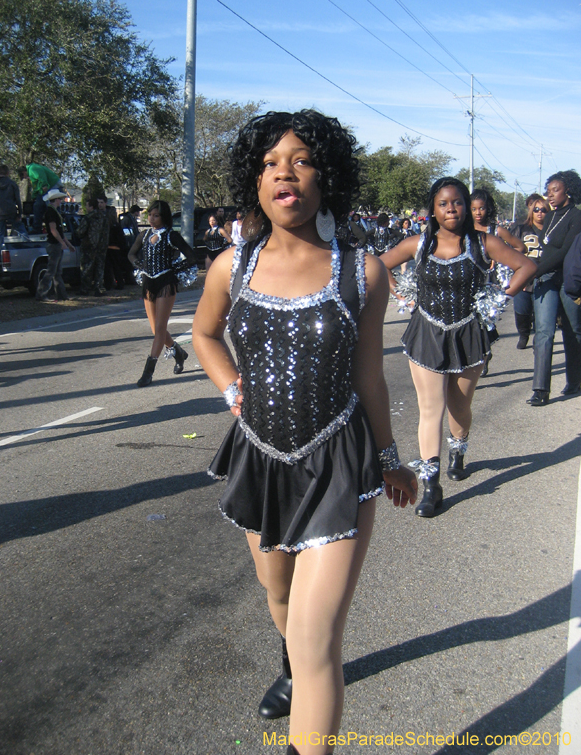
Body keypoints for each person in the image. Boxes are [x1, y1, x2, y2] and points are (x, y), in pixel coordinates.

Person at [192, 110, 417, 755]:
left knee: (319, 639)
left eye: (299, 159)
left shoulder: (362, 272)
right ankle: (288, 666)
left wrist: (392, 460)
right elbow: (205, 335)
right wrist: (233, 389)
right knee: (279, 593)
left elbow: (370, 376)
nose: (282, 172)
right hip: (260, 458)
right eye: (268, 163)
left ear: (327, 177)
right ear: (254, 183)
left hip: (339, 466)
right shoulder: (230, 268)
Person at [381, 177, 536, 517]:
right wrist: (401, 292)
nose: (451, 208)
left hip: (469, 334)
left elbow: (527, 265)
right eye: (443, 204)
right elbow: (376, 264)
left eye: (457, 203)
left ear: (466, 207)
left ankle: (459, 449)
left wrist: (500, 296)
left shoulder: (484, 243)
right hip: (426, 333)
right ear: (433, 210)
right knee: (430, 409)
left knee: (459, 407)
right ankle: (431, 485)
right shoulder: (418, 244)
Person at [526, 170, 581, 406]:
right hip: (546, 278)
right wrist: (536, 271)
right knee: (544, 331)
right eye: (548, 191)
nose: (550, 196)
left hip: (568, 279)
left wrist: (534, 270)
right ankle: (540, 389)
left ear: (567, 190)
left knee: (573, 330)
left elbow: (564, 252)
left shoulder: (576, 217)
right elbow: (546, 250)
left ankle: (575, 380)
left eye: (555, 190)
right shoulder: (549, 218)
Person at [128, 200, 196, 387]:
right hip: (149, 284)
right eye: (150, 214)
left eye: (156, 215)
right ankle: (179, 352)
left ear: (163, 217)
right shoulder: (144, 234)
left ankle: (148, 371)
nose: (151, 218)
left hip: (166, 283)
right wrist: (139, 265)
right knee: (155, 329)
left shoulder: (171, 235)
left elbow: (190, 256)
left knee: (159, 328)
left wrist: (175, 269)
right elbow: (131, 254)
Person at [470, 188, 526, 376]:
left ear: (489, 209)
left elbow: (520, 247)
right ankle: (479, 355)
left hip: (490, 284)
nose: (478, 213)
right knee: (471, 324)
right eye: (474, 209)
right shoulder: (464, 229)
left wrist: (502, 258)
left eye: (482, 208)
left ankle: (484, 355)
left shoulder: (496, 230)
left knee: (486, 323)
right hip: (470, 282)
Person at [511, 196, 550, 348]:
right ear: (531, 211)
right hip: (524, 277)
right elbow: (510, 251)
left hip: (545, 276)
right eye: (536, 210)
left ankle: (538, 338)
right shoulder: (520, 228)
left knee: (541, 313)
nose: (540, 213)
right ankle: (523, 333)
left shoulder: (552, 229)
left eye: (543, 210)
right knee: (522, 310)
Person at [35, 189, 76, 302]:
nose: (61, 201)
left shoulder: (55, 212)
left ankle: (62, 295)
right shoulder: (50, 212)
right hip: (54, 244)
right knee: (51, 271)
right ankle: (41, 293)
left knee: (57, 272)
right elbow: (53, 230)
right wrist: (62, 243)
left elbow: (60, 232)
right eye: (60, 199)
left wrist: (68, 244)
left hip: (57, 243)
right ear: (56, 199)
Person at [0, 165, 30, 256]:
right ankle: (27, 247)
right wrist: (19, 213)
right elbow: (18, 200)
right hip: (11, 212)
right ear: (8, 173)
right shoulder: (12, 183)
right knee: (20, 229)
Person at [77, 195, 109, 296]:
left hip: (89, 246)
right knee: (100, 268)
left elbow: (80, 232)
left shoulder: (88, 218)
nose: (86, 208)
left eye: (87, 206)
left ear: (91, 207)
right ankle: (99, 288)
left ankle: (85, 289)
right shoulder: (104, 217)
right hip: (102, 247)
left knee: (86, 268)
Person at [26, 163, 61, 234]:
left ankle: (56, 228)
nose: (26, 178)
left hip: (52, 185)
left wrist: (45, 185)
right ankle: (38, 228)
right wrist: (34, 196)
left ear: (24, 172)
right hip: (46, 187)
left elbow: (42, 177)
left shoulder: (32, 169)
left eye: (24, 176)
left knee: (50, 206)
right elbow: (37, 188)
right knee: (38, 206)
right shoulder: (32, 173)